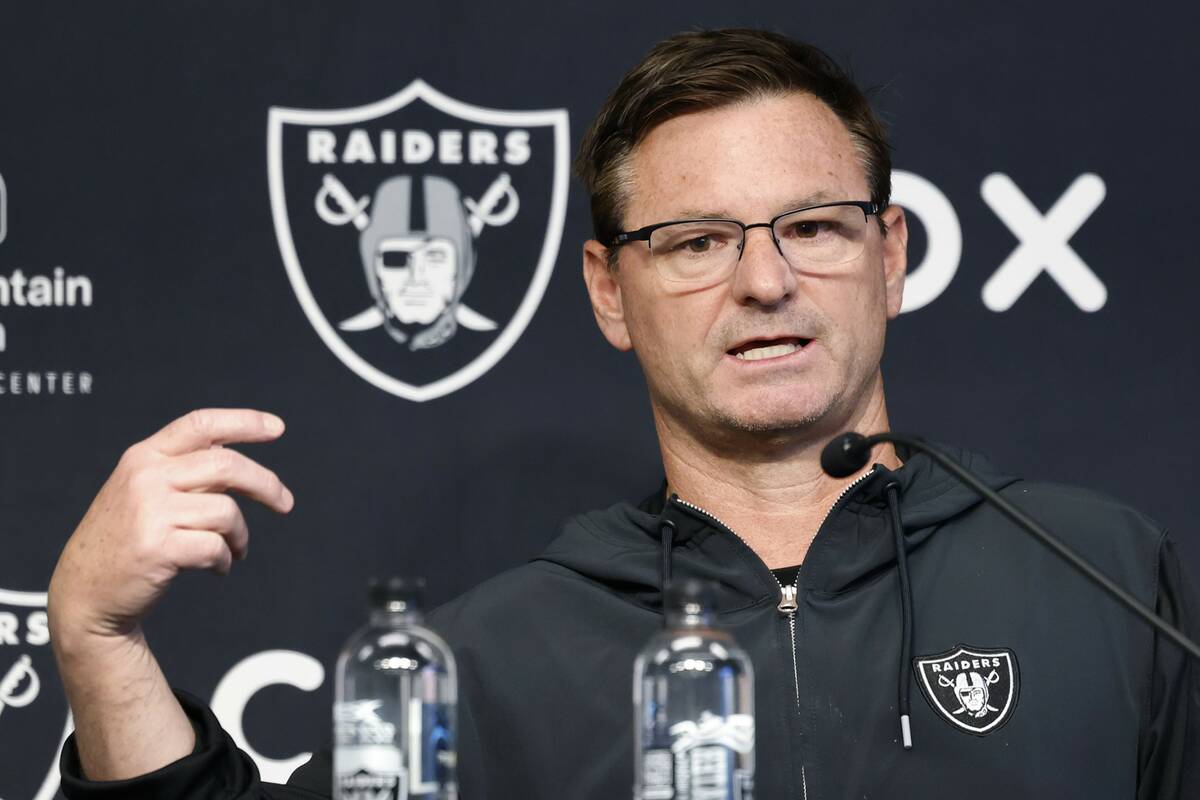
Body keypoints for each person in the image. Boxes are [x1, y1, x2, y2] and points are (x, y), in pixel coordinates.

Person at [48, 28, 1198, 800]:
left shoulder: (1101, 575)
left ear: (888, 256)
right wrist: (101, 647)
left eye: (813, 225)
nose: (765, 280)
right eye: (697, 241)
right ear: (610, 291)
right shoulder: (476, 663)